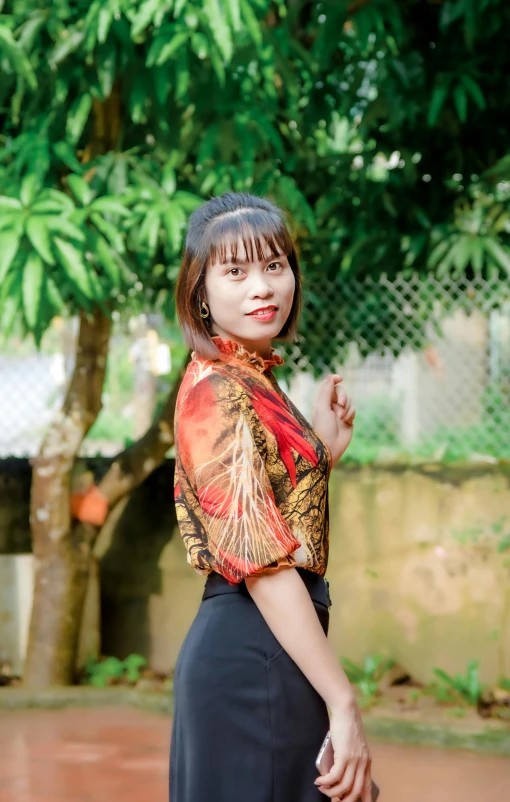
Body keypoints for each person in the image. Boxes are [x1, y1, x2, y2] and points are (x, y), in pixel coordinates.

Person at [170, 191, 372, 802]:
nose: (263, 286)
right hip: (252, 650)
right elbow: (260, 563)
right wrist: (344, 699)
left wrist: (320, 455)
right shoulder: (217, 392)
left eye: (275, 265)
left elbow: (265, 513)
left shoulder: (248, 378)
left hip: (272, 648)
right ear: (200, 292)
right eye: (236, 271)